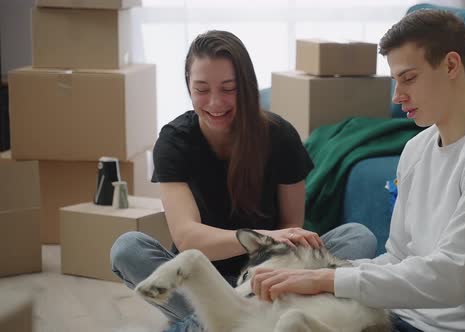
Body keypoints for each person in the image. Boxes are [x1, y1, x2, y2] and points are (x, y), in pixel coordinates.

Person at [251, 9, 465, 332]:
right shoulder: (416, 149)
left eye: (409, 78)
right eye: (395, 81)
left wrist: (327, 278)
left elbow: (453, 276)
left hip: (452, 328)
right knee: (270, 309)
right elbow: (398, 257)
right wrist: (313, 275)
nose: (397, 96)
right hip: (394, 316)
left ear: (451, 65)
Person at [110, 30, 377, 331]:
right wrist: (263, 235)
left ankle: (203, 323)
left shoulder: (280, 136)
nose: (215, 102)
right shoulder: (174, 142)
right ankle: (222, 318)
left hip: (270, 281)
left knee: (358, 236)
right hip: (202, 276)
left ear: (246, 87)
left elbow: (291, 231)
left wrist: (273, 249)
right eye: (201, 89)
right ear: (188, 87)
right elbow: (187, 238)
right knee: (127, 248)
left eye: (228, 88)